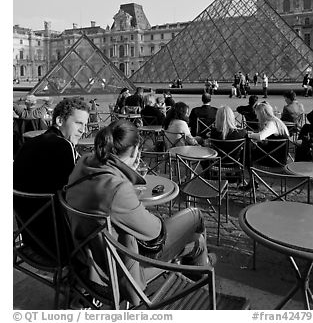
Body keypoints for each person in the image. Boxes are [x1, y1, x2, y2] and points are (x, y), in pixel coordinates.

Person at [66, 121, 215, 305]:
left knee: (196, 241)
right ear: (135, 151)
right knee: (195, 217)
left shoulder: (84, 163)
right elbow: (156, 235)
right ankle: (200, 287)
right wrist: (129, 185)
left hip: (86, 263)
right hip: (120, 277)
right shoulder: (117, 189)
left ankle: (200, 265)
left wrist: (126, 175)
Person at [13, 97, 90, 256]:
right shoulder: (63, 146)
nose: (84, 130)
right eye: (78, 123)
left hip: (30, 238)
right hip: (58, 244)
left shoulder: (28, 145)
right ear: (60, 120)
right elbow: (75, 194)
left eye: (85, 124)